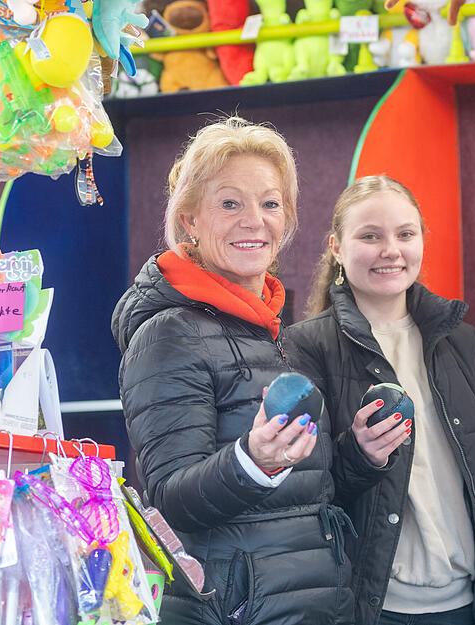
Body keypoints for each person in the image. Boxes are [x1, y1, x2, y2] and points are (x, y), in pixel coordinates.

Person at [111, 118, 408, 625]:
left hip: (311, 605)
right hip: (239, 611)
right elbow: (169, 500)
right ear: (189, 222)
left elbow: (304, 490)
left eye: (270, 203)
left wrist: (358, 455)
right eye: (229, 203)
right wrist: (252, 462)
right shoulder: (169, 334)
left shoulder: (268, 328)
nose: (255, 220)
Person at [283, 175, 475, 625]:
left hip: (470, 605)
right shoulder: (306, 347)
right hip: (374, 608)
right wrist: (359, 455)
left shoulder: (463, 343)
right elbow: (300, 496)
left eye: (405, 234)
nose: (391, 250)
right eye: (370, 236)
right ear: (337, 249)